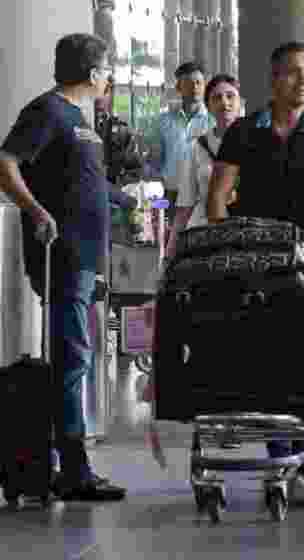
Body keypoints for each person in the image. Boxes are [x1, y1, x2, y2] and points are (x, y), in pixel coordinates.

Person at [206, 41, 304, 507]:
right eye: (294, 73)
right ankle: (280, 460)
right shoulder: (245, 132)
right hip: (256, 260)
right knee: (268, 364)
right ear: (274, 80)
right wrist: (225, 237)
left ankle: (302, 466)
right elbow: (218, 194)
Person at [0, 33, 126, 501]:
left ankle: (65, 461)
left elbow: (84, 181)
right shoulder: (48, 111)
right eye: (107, 71)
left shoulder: (80, 120)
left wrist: (121, 199)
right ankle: (73, 468)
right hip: (64, 255)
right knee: (72, 358)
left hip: (86, 258)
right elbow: (6, 162)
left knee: (77, 355)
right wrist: (37, 211)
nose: (109, 78)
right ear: (93, 74)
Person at [166, 74, 241, 256]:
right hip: (204, 237)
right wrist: (170, 254)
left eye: (230, 96)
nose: (225, 103)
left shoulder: (257, 143)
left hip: (242, 237)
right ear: (208, 106)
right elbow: (185, 205)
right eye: (217, 98)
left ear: (240, 102)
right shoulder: (197, 147)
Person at [145, 60, 214, 209]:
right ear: (178, 87)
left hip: (202, 196)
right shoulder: (163, 121)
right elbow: (154, 160)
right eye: (189, 83)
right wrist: (155, 198)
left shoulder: (212, 121)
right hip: (170, 194)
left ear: (204, 86)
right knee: (166, 230)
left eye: (198, 83)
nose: (194, 87)